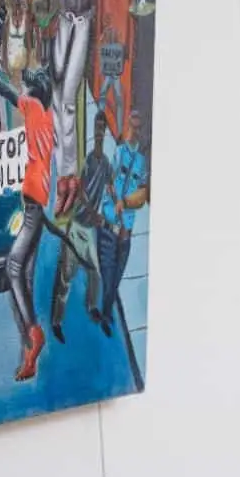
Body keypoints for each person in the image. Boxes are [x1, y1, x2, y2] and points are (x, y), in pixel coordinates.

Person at [0, 55, 58, 377]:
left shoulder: (34, 108)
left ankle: (34, 338)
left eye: (28, 85)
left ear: (35, 91)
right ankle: (30, 353)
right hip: (34, 200)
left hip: (34, 205)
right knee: (27, 276)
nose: (23, 89)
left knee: (13, 268)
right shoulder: (46, 116)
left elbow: (6, 91)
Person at [52, 115, 110, 336]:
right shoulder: (87, 162)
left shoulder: (105, 163)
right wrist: (95, 213)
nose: (99, 131)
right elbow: (81, 192)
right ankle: (57, 321)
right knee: (66, 277)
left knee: (95, 272)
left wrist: (116, 205)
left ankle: (91, 306)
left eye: (102, 128)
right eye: (97, 127)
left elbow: (111, 185)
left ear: (104, 133)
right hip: (77, 227)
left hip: (89, 230)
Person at [97, 108, 149, 333]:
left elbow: (143, 195)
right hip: (108, 230)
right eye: (131, 124)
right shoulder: (117, 153)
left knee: (116, 280)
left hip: (125, 235)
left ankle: (106, 312)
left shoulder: (141, 162)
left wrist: (126, 202)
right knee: (108, 279)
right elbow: (107, 181)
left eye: (137, 126)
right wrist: (114, 199)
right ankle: (106, 316)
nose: (133, 130)